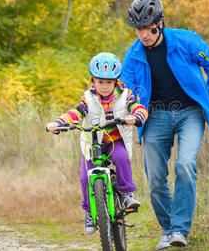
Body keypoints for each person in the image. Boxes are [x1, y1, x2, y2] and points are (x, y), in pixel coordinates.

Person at [121, 0, 209, 249]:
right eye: (138, 29)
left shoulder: (186, 40)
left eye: (148, 27)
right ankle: (169, 230)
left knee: (185, 165)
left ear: (160, 22)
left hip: (189, 112)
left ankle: (180, 229)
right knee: (155, 177)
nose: (144, 34)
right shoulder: (133, 55)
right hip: (154, 115)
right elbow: (127, 88)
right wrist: (130, 111)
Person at [46, 52, 148, 234]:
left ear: (116, 82)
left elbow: (137, 107)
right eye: (100, 82)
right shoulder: (88, 98)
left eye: (109, 82)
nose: (104, 86)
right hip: (93, 143)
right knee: (85, 178)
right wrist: (58, 123)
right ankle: (90, 212)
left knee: (122, 157)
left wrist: (137, 116)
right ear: (93, 81)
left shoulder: (125, 95)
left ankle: (126, 194)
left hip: (115, 140)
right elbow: (75, 113)